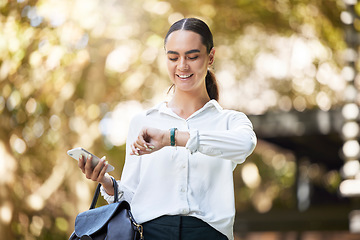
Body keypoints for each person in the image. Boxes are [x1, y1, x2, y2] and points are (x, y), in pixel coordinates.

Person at [78, 17, 257, 240]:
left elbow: (245, 144)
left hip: (208, 234)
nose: (182, 66)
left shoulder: (230, 121)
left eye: (192, 57)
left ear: (210, 57)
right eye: (173, 57)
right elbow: (133, 198)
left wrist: (171, 138)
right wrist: (106, 182)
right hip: (151, 234)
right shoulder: (142, 122)